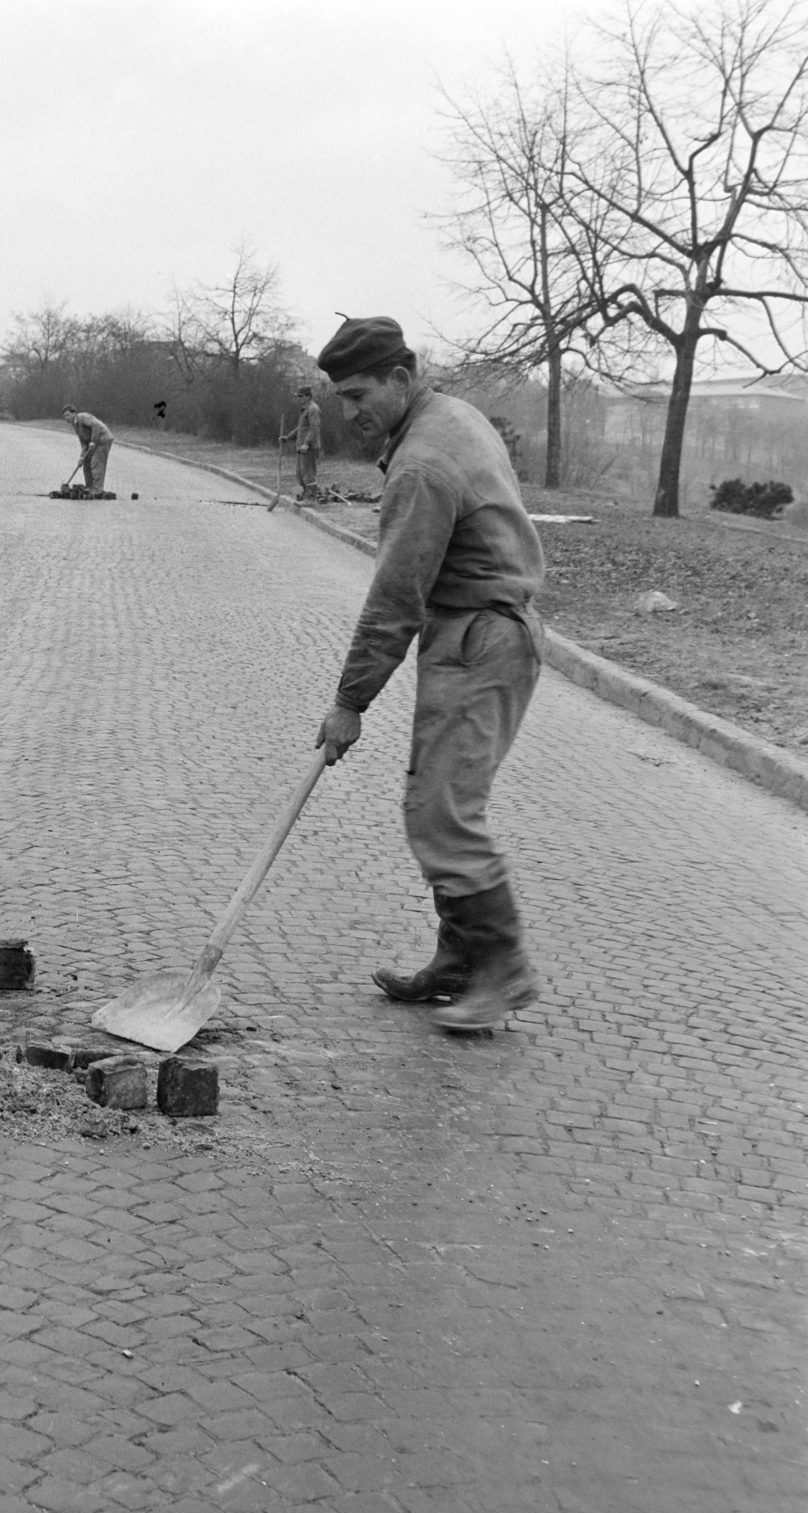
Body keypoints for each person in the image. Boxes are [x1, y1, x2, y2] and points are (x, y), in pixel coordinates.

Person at [312, 317, 546, 1031]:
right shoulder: (450, 415)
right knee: (433, 799)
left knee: (443, 813)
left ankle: (503, 971)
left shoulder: (422, 463)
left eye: (358, 395)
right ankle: (460, 962)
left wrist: (350, 701)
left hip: (481, 636)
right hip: (475, 631)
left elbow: (395, 597)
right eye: (341, 398)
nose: (350, 412)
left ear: (401, 378)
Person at [280, 385, 324, 499]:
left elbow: (314, 428)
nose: (298, 399)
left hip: (308, 447)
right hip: (301, 447)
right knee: (300, 474)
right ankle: (306, 494)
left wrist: (307, 443)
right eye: (298, 396)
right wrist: (288, 437)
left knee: (308, 474)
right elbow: (301, 428)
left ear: (308, 396)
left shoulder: (313, 409)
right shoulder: (305, 409)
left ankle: (311, 498)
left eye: (301, 396)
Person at [61, 405, 114, 494]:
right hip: (93, 444)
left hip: (103, 440)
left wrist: (93, 441)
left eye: (67, 415)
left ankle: (97, 489)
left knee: (96, 463)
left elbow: (96, 425)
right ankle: (89, 487)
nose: (66, 418)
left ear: (74, 413)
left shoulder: (83, 417)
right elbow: (83, 443)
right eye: (64, 417)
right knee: (86, 462)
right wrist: (82, 458)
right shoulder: (75, 426)